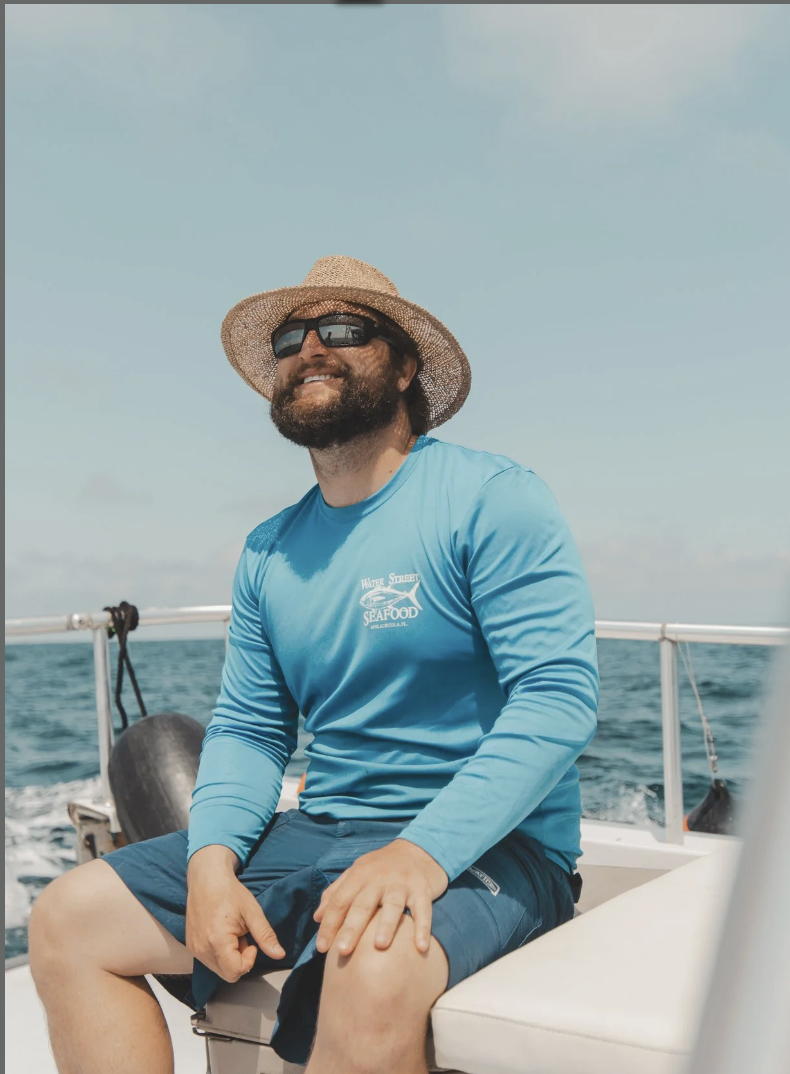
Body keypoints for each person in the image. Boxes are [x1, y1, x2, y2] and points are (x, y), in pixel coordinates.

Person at [29, 256, 599, 1074]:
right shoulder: (268, 551)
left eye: (343, 330)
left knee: (369, 966)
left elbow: (555, 701)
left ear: (405, 367)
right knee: (67, 920)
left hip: (493, 848)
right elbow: (252, 728)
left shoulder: (492, 498)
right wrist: (212, 860)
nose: (309, 349)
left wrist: (417, 853)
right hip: (326, 830)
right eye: (291, 338)